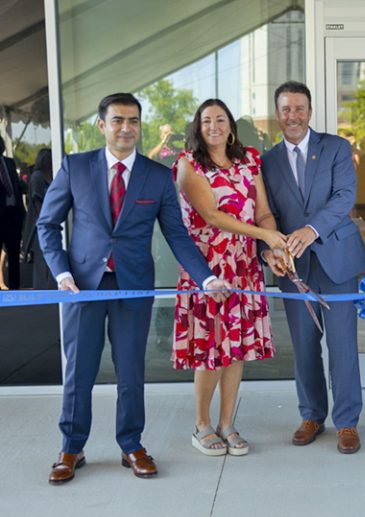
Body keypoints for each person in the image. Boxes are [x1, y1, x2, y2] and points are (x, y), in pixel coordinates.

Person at [37, 93, 230, 484]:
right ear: (102, 125)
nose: (126, 128)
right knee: (79, 372)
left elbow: (177, 235)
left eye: (133, 121)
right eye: (118, 121)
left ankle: (131, 445)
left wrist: (206, 278)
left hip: (133, 289)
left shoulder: (157, 176)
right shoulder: (75, 167)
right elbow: (46, 225)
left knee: (130, 372)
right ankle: (71, 448)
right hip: (83, 289)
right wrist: (61, 274)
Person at [260, 81, 365, 454]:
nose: (293, 116)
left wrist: (311, 229)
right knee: (305, 346)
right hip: (294, 268)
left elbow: (344, 197)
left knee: (341, 345)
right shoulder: (267, 161)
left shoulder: (336, 148)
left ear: (310, 112)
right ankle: (311, 415)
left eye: (299, 108)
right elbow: (266, 214)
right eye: (286, 109)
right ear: (278, 114)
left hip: (336, 260)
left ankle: (346, 422)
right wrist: (269, 250)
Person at [172, 99, 285, 456]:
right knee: (211, 351)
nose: (214, 126)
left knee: (234, 349)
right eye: (206, 121)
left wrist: (273, 247)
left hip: (243, 268)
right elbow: (212, 216)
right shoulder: (188, 165)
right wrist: (263, 236)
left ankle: (227, 423)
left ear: (231, 125)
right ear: (198, 127)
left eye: (220, 119)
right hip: (208, 270)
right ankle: (201, 424)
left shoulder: (249, 159)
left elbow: (264, 211)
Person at [22, 148, 56, 289]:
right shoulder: (37, 176)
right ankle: (42, 288)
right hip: (39, 223)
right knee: (41, 256)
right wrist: (44, 220)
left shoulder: (53, 175)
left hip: (52, 222)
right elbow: (36, 200)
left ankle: (50, 285)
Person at [0, 135, 24, 290]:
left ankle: (15, 287)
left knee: (14, 253)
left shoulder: (9, 163)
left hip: (13, 214)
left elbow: (17, 187)